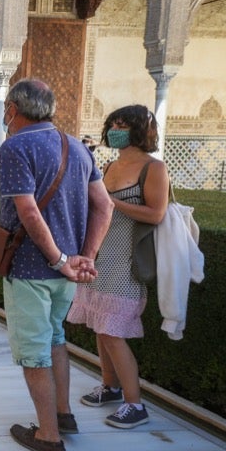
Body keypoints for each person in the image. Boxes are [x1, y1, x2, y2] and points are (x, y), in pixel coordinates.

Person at [0, 79, 113, 451]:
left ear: (13, 109)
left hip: (32, 269)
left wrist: (58, 259)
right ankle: (63, 415)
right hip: (67, 272)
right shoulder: (76, 146)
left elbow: (29, 211)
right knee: (55, 337)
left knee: (34, 352)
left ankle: (48, 437)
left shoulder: (16, 146)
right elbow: (105, 206)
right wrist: (85, 257)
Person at [66, 105, 169, 430]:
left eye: (122, 126)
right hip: (100, 257)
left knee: (113, 332)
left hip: (126, 261)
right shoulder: (110, 165)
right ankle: (109, 387)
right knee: (100, 326)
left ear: (138, 130)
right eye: (113, 125)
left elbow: (156, 213)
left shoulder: (154, 168)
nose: (114, 130)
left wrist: (112, 203)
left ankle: (134, 404)